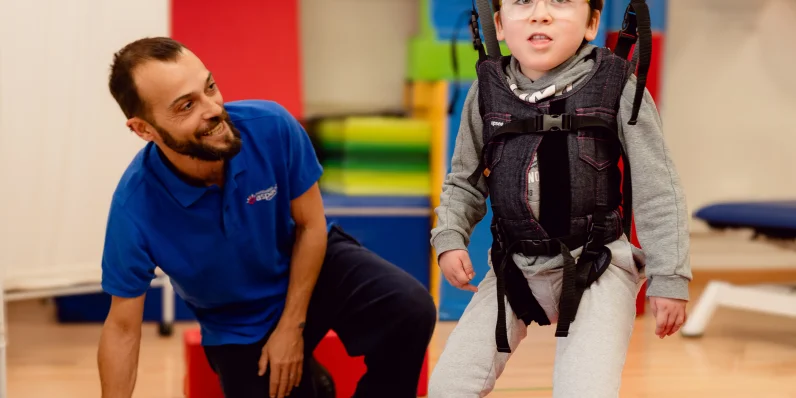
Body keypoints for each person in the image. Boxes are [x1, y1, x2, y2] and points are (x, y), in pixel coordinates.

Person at [96, 36, 436, 398]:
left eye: (210, 86)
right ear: (144, 129)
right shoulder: (134, 207)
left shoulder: (271, 126)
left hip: (309, 264)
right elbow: (122, 329)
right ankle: (313, 382)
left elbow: (310, 225)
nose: (212, 108)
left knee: (410, 309)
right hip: (237, 320)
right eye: (186, 106)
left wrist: (292, 327)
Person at [428, 0, 691, 396]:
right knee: (449, 385)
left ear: (592, 23)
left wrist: (668, 276)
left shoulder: (617, 85)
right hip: (514, 268)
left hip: (597, 266)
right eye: (522, 3)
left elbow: (659, 190)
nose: (540, 14)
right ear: (498, 25)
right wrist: (448, 238)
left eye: (561, 1)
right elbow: (463, 182)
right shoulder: (486, 92)